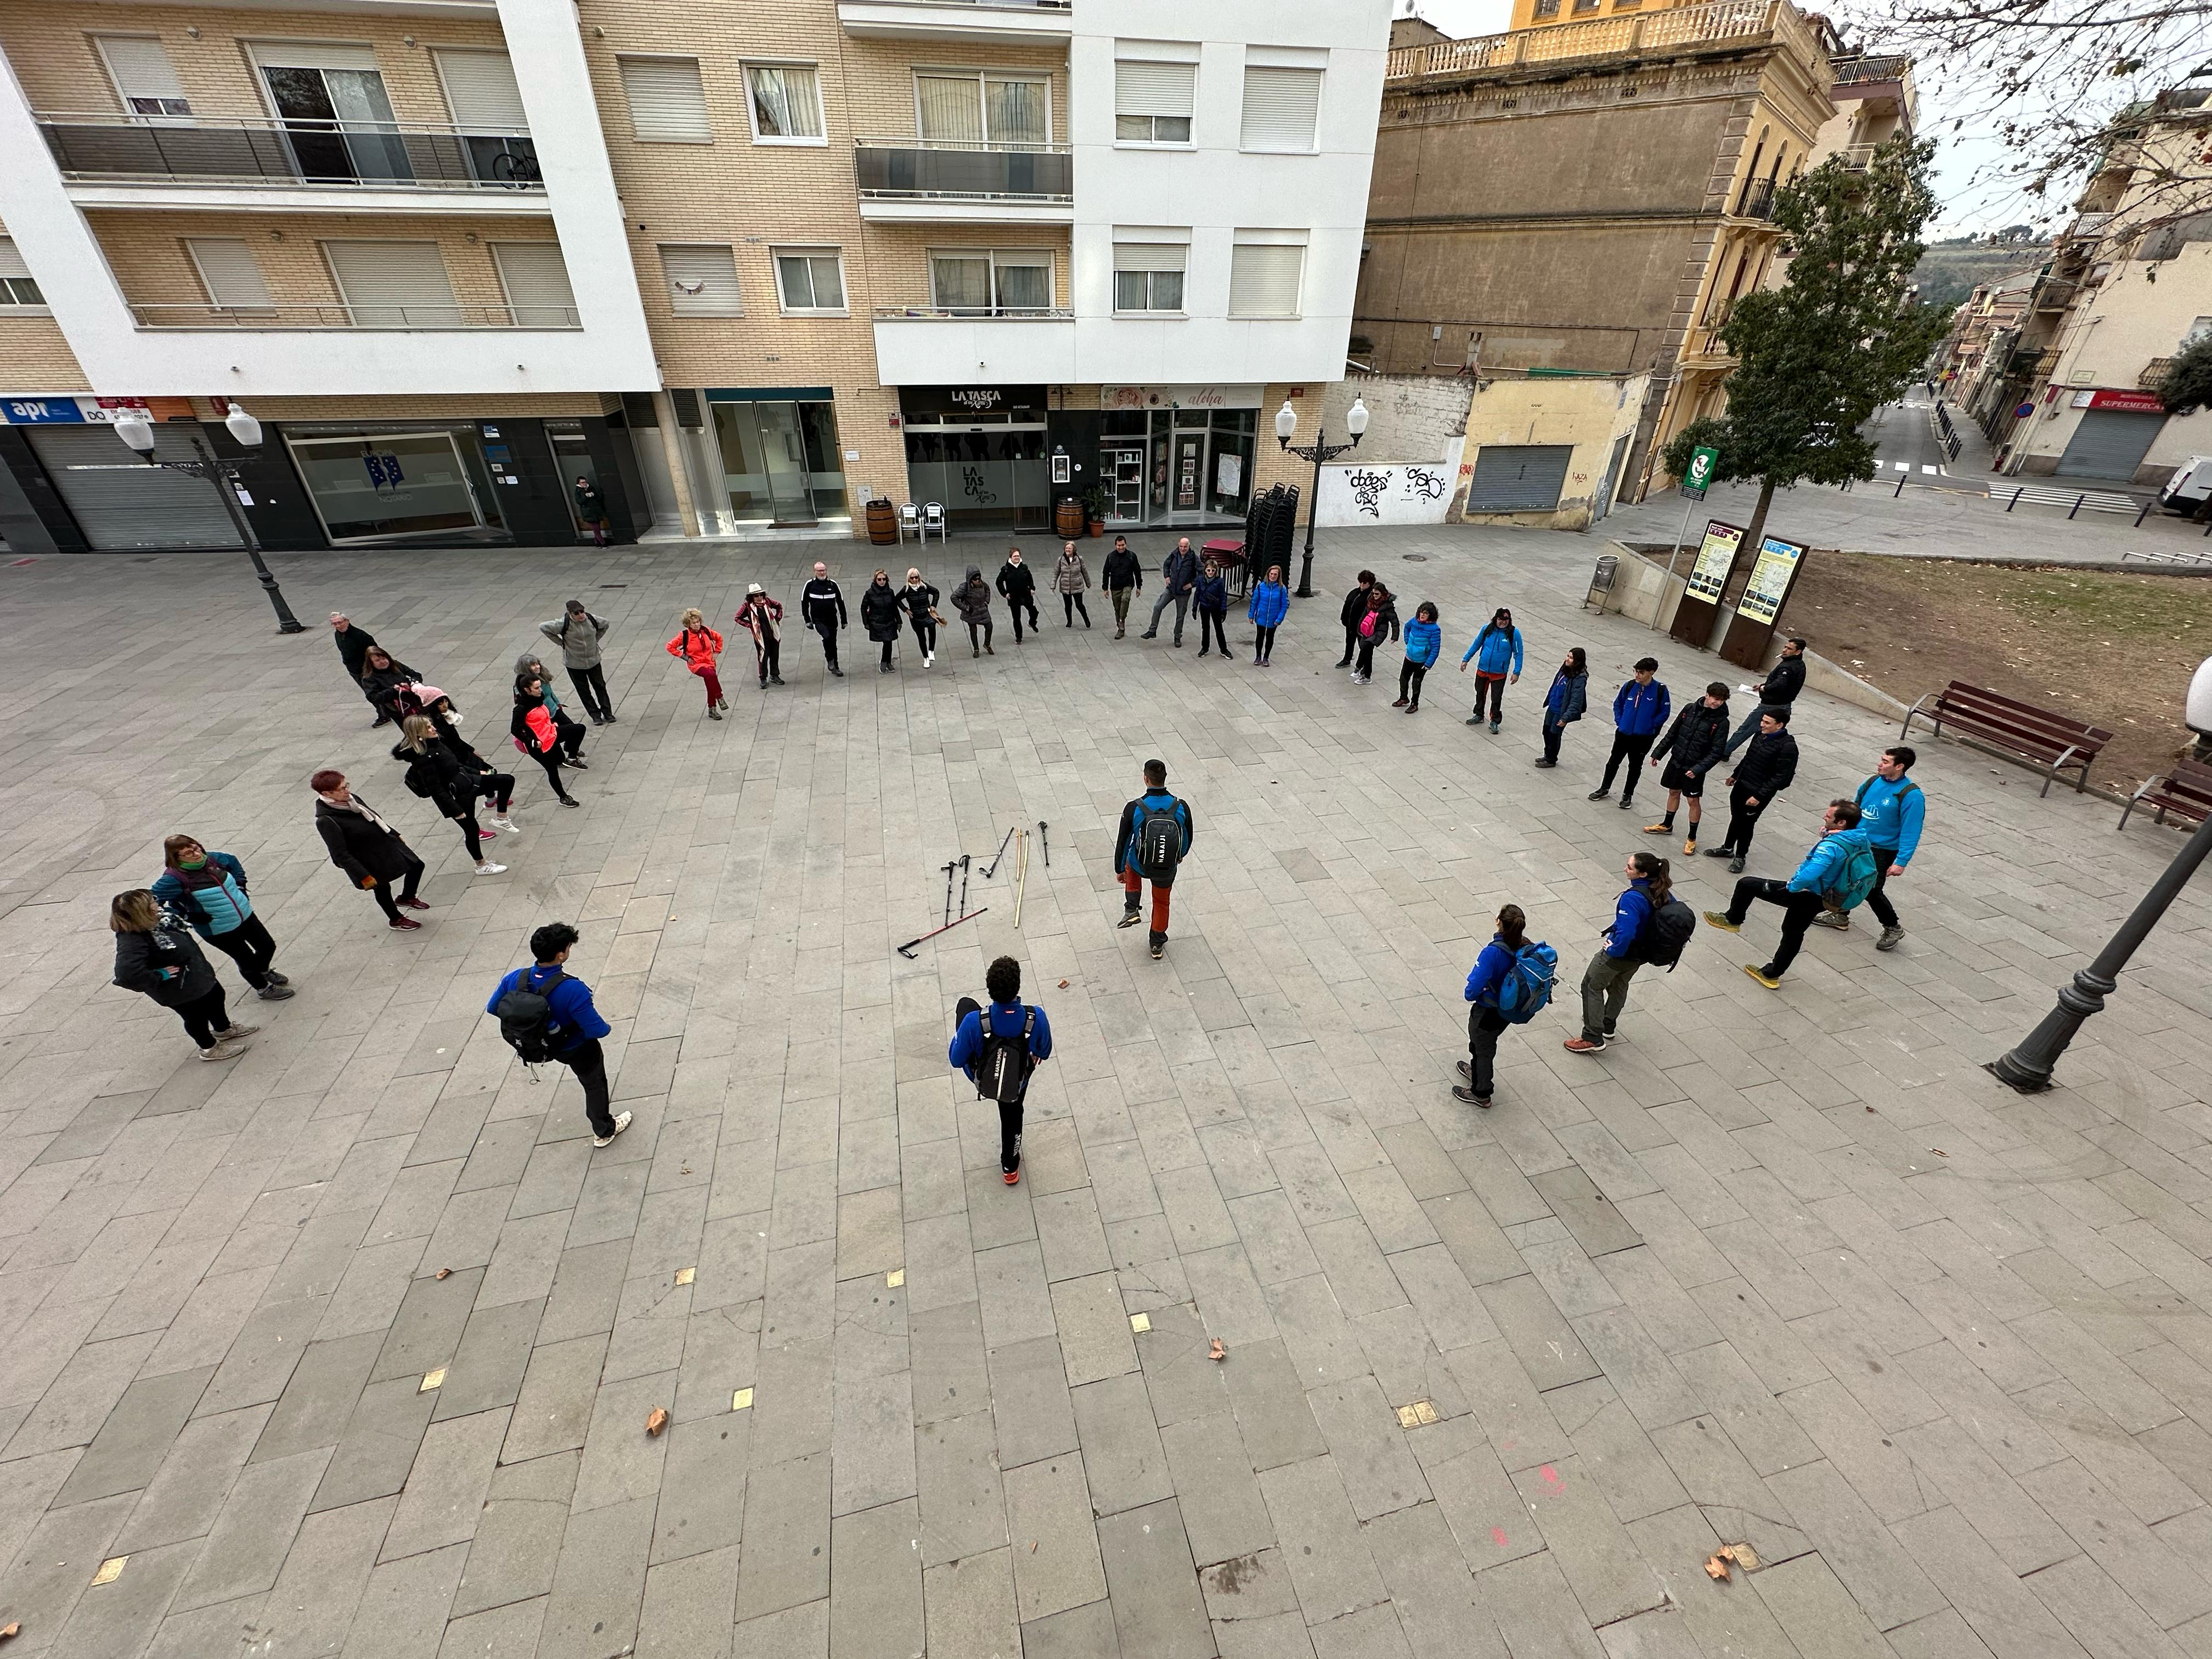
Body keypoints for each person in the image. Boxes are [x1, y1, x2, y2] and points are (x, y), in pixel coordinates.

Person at [488, 922, 630, 1147]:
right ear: (560, 955)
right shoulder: (573, 989)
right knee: (594, 1085)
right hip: (576, 1048)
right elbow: (596, 1030)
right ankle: (604, 1130)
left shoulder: (514, 978)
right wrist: (607, 1028)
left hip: (540, 1045)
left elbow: (493, 1008)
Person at [1705, 799, 1872, 988]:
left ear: (1842, 823)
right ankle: (1771, 974)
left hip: (1807, 892)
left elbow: (1812, 872)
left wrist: (1791, 887)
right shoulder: (1859, 838)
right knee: (1793, 933)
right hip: (1827, 897)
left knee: (1747, 884)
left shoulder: (1830, 847)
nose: (1825, 816)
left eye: (1829, 816)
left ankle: (1732, 920)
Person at [111, 889, 255, 1061]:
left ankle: (223, 1029)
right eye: (153, 901)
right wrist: (159, 975)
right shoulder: (132, 940)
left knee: (216, 996)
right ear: (144, 911)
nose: (157, 902)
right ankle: (209, 1048)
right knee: (195, 1017)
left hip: (196, 975)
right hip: (177, 988)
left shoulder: (161, 920)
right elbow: (126, 974)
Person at [949, 955, 1054, 1184]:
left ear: (990, 990)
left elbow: (956, 1061)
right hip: (1017, 1081)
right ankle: (1010, 1167)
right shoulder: (1036, 1017)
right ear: (1017, 987)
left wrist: (963, 1037)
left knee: (965, 1005)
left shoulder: (973, 1022)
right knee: (1012, 1116)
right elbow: (1044, 1051)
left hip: (984, 1076)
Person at [151, 837, 293, 1002]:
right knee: (245, 958)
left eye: (197, 848)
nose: (197, 854)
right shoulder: (173, 879)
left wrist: (240, 885)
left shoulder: (214, 859)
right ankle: (263, 988)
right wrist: (187, 916)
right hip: (217, 929)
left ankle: (262, 969)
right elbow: (152, 904)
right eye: (188, 853)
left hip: (245, 915)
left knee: (267, 946)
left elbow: (233, 862)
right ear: (176, 858)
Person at [1814, 746, 1923, 952]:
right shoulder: (1872, 782)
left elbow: (1912, 830)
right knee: (1843, 878)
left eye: (1885, 762)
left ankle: (1892, 927)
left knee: (1871, 889)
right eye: (1881, 760)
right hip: (1857, 840)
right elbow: (1854, 810)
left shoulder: (1911, 796)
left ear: (1900, 766)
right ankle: (1840, 915)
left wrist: (1901, 861)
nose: (1879, 764)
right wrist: (1836, 827)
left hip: (1882, 850)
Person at [1564, 850, 1669, 1054]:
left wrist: (1612, 950)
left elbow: (1626, 931)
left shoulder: (1633, 899)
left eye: (1630, 867)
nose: (1625, 869)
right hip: (1642, 954)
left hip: (1622, 953)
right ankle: (1608, 1023)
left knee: (1591, 985)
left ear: (1643, 875)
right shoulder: (1662, 891)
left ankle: (1592, 1036)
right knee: (1620, 984)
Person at [312, 770, 430, 929]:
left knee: (416, 864)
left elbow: (375, 817)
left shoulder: (352, 800)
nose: (347, 790)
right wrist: (364, 876)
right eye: (342, 788)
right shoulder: (326, 821)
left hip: (385, 844)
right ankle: (396, 919)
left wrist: (393, 833)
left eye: (346, 785)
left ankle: (407, 897)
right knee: (382, 887)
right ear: (327, 793)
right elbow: (340, 854)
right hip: (366, 859)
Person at [393, 714, 509, 877]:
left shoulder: (435, 744)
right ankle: (481, 865)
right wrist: (455, 810)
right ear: (418, 733)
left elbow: (455, 765)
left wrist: (477, 772)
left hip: (463, 786)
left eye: (431, 725)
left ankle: (500, 820)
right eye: (428, 727)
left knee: (505, 781)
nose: (433, 728)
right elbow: (436, 789)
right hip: (453, 798)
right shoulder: (423, 759)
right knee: (472, 829)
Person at [1114, 758, 1194, 961]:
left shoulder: (1134, 808)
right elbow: (1188, 837)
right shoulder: (1180, 806)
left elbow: (1123, 842)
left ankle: (1132, 908)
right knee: (1161, 902)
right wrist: (1179, 857)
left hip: (1141, 866)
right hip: (1166, 867)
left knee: (1130, 862)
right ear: (1165, 779)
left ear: (1146, 779)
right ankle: (1157, 943)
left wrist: (1119, 869)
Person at [1643, 682, 1731, 855]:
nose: (1717, 702)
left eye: (1721, 700)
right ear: (1707, 695)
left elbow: (1717, 752)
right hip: (1677, 760)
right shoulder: (1689, 709)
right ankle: (1667, 824)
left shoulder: (1721, 722)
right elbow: (1673, 733)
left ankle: (1692, 837)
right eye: (1715, 698)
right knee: (1673, 792)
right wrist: (1658, 753)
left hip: (1694, 767)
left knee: (1693, 801)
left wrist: (1699, 769)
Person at [1706, 709, 1798, 873]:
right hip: (1742, 784)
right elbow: (1748, 757)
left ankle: (1740, 856)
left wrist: (1759, 796)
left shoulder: (1788, 747)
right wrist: (1735, 774)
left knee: (1747, 824)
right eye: (1763, 721)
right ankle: (1727, 848)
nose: (1762, 724)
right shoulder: (1759, 735)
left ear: (1780, 725)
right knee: (1736, 818)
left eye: (1767, 723)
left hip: (1758, 792)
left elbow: (1781, 777)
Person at [1455, 904, 1528, 1107]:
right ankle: (1478, 1073)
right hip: (1507, 1009)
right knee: (1485, 1043)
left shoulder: (1492, 953)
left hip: (1488, 1010)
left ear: (1499, 922)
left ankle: (1481, 1091)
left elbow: (1473, 988)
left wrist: (1471, 994)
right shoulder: (1524, 946)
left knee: (1482, 1049)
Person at [417, 689, 519, 834]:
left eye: (446, 701)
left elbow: (456, 740)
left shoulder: (444, 719)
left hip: (462, 760)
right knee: (469, 803)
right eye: (441, 703)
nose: (445, 705)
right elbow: (436, 786)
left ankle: (491, 804)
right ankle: (475, 830)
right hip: (459, 767)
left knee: (491, 774)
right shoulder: (433, 741)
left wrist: (471, 751)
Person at [1589, 659, 1669, 811]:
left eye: (1641, 673)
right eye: (1636, 672)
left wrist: (1650, 725)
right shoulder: (1630, 686)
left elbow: (1664, 712)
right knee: (1613, 762)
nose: (1637, 675)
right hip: (1624, 733)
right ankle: (1604, 788)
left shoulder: (1660, 690)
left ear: (1651, 673)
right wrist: (1620, 721)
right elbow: (1618, 704)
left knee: (1635, 766)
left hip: (1643, 737)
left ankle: (1628, 794)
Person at [1723, 636, 1808, 757]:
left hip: (1770, 706)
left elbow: (1780, 684)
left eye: (1789, 649)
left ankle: (1725, 752)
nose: (1785, 650)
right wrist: (1764, 684)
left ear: (1798, 652)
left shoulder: (1787, 667)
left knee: (1746, 729)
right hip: (1785, 706)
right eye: (1785, 647)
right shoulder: (1799, 664)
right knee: (1768, 734)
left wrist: (1764, 688)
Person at [511, 676, 583, 807]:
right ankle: (563, 797)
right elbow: (515, 730)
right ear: (527, 690)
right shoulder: (521, 709)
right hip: (539, 746)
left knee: (579, 729)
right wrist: (532, 742)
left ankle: (572, 756)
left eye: (540, 687)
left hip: (551, 735)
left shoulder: (539, 700)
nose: (540, 690)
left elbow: (542, 718)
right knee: (552, 771)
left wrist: (551, 724)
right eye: (537, 688)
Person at [540, 600, 614, 724]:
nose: (581, 615)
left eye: (582, 611)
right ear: (570, 614)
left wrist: (595, 640)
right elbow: (543, 627)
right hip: (574, 664)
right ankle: (595, 715)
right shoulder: (564, 623)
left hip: (593, 661)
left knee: (600, 686)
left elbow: (605, 624)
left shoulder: (592, 620)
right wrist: (561, 643)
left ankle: (608, 713)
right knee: (584, 690)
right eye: (577, 613)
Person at [1459, 608, 1525, 731]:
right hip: (1483, 669)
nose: (1503, 622)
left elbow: (1519, 653)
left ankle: (1495, 720)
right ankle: (1479, 715)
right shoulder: (1487, 629)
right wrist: (1466, 659)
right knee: (1480, 693)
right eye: (1500, 619)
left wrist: (1517, 672)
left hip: (1499, 673)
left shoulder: (1514, 633)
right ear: (1496, 619)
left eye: (1506, 620)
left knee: (1496, 698)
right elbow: (1477, 644)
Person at [665, 607, 727, 719]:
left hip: (710, 662)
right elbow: (670, 646)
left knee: (710, 683)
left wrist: (717, 651)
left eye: (698, 622)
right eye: (694, 623)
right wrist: (685, 657)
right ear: (688, 624)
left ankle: (712, 709)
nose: (697, 625)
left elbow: (719, 638)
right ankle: (720, 697)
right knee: (710, 675)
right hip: (697, 664)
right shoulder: (684, 635)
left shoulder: (706, 631)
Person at [1536, 647, 1589, 767]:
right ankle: (1548, 754)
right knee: (1546, 731)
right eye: (1568, 656)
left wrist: (1566, 718)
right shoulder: (1565, 669)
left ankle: (1551, 759)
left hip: (1561, 710)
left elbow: (1576, 700)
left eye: (1571, 658)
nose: (1568, 659)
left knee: (1554, 734)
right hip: (1553, 705)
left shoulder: (1579, 678)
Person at [1142, 538, 1200, 646]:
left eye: (1185, 547)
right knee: (1158, 606)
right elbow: (1166, 564)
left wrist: (1192, 584)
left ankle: (1177, 636)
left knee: (1180, 616)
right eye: (1181, 546)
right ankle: (1152, 630)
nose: (1183, 549)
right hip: (1171, 588)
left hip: (1183, 592)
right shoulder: (1174, 554)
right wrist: (1167, 576)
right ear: (1178, 545)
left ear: (1189, 546)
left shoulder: (1193, 558)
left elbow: (1202, 572)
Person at [332, 613, 385, 725]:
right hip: (354, 670)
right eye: (335, 624)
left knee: (373, 693)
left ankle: (384, 715)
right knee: (371, 693)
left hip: (366, 670)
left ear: (347, 621)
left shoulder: (360, 636)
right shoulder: (338, 635)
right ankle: (384, 712)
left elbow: (374, 652)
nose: (338, 626)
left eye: (340, 623)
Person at [802, 561, 848, 676]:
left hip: (832, 619)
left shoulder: (833, 585)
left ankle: (836, 666)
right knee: (827, 637)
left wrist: (844, 620)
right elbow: (804, 603)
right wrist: (807, 620)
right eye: (819, 571)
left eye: (824, 570)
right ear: (815, 572)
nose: (822, 573)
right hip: (818, 619)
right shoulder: (810, 585)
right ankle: (829, 659)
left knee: (833, 642)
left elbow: (841, 602)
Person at [358, 645, 421, 728]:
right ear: (371, 663)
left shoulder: (395, 665)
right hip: (396, 710)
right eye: (377, 660)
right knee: (412, 731)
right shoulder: (369, 678)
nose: (383, 662)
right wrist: (393, 691)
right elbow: (373, 697)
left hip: (415, 702)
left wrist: (411, 684)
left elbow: (416, 675)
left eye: (384, 658)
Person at [735, 583, 785, 688]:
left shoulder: (767, 602)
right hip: (760, 636)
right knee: (763, 656)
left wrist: (777, 618)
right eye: (756, 596)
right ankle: (763, 677)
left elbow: (779, 606)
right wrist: (750, 625)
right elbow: (738, 618)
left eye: (761, 595)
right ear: (751, 597)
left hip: (773, 633)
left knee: (775, 655)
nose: (759, 597)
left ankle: (775, 675)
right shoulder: (747, 606)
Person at [1395, 601, 1441, 711]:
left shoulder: (1434, 629)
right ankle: (1403, 698)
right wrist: (1407, 640)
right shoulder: (1414, 621)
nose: (1422, 615)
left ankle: (1414, 704)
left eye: (1426, 613)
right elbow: (1406, 627)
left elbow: (1435, 648)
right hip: (1409, 657)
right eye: (1421, 612)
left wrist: (1429, 664)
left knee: (1416, 683)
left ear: (1431, 615)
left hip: (1421, 661)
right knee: (1403, 679)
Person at [1352, 583, 1400, 686]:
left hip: (1380, 631)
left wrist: (1395, 637)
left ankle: (1366, 675)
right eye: (1373, 593)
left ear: (1382, 593)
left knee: (1366, 646)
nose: (1375, 596)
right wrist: (1359, 628)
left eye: (1377, 594)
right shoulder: (1370, 601)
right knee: (1364, 648)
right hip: (1368, 629)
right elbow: (1364, 615)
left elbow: (1395, 622)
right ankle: (1360, 669)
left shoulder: (1388, 606)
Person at [1101, 534, 1143, 639]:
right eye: (1119, 545)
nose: (1121, 547)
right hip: (1115, 586)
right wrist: (1105, 588)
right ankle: (1121, 628)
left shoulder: (1132, 556)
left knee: (1125, 599)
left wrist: (1139, 586)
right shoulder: (1111, 557)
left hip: (1128, 584)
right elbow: (1106, 572)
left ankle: (1121, 621)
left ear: (1126, 545)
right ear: (1116, 546)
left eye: (1123, 545)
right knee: (1117, 608)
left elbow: (1138, 571)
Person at [860, 568, 902, 672]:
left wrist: (899, 621)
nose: (882, 581)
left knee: (889, 642)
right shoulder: (870, 593)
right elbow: (863, 607)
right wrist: (866, 622)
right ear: (875, 580)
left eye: (884, 579)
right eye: (879, 579)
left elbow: (894, 607)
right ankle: (885, 662)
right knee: (887, 642)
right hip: (878, 622)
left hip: (889, 620)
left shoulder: (890, 592)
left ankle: (887, 662)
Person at [996, 548, 1041, 643]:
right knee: (1017, 618)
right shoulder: (1006, 570)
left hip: (1026, 594)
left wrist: (1032, 588)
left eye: (1018, 556)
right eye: (1015, 556)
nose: (1017, 558)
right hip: (1014, 597)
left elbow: (1030, 578)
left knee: (1034, 612)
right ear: (1011, 557)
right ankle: (1019, 637)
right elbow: (999, 582)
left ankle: (1032, 623)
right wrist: (1005, 594)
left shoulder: (1024, 567)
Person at [899, 568, 940, 669]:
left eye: (916, 577)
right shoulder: (906, 590)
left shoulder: (924, 587)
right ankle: (926, 658)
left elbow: (936, 592)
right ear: (909, 578)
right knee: (922, 638)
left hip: (927, 614)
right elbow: (897, 600)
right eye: (912, 578)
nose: (914, 580)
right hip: (916, 617)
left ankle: (931, 651)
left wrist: (933, 605)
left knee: (932, 628)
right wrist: (906, 610)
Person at [1248, 563, 1289, 665]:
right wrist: (1251, 615)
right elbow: (1254, 601)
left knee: (1270, 638)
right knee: (1260, 637)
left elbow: (1284, 606)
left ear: (1278, 576)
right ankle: (1258, 657)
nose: (1273, 576)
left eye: (1275, 575)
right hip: (1261, 617)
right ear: (1268, 574)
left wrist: (1279, 619)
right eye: (1272, 574)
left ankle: (1266, 657)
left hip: (1273, 618)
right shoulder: (1261, 587)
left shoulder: (1282, 589)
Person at [1336, 571, 1378, 668]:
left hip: (1362, 627)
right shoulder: (1354, 592)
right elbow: (1347, 605)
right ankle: (1347, 659)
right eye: (1361, 582)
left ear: (1370, 584)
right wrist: (1344, 618)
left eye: (1365, 583)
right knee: (1349, 642)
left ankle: (1363, 664)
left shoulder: (1371, 597)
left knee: (1363, 646)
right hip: (1351, 624)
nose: (1362, 585)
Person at [1194, 557, 1232, 660]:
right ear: (1205, 570)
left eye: (1213, 570)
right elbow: (1197, 593)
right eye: (1209, 570)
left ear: (1216, 571)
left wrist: (1224, 610)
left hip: (1216, 608)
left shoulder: (1219, 582)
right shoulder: (1201, 580)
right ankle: (1205, 648)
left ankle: (1224, 650)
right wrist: (1194, 607)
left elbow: (1223, 596)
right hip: (1204, 607)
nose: (1211, 572)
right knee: (1205, 628)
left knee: (1219, 629)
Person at [953, 566, 995, 657]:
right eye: (975, 579)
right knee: (973, 631)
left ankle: (987, 644)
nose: (978, 581)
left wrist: (987, 602)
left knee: (989, 626)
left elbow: (988, 590)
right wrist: (966, 608)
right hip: (971, 613)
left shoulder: (983, 584)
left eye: (979, 579)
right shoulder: (965, 587)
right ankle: (976, 649)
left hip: (983, 610)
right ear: (970, 579)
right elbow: (954, 598)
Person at [1055, 541, 1092, 629]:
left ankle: (1086, 618)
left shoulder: (1079, 559)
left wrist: (1088, 583)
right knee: (1068, 605)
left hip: (1077, 585)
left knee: (1079, 604)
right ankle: (1069, 621)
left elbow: (1084, 572)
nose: (1068, 550)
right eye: (1066, 548)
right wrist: (1053, 584)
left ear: (1074, 550)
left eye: (1070, 548)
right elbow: (1056, 572)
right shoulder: (1061, 560)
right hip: (1065, 586)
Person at [573, 475, 609, 548]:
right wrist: (586, 496)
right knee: (596, 529)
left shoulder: (591, 488)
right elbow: (579, 501)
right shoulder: (578, 491)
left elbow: (599, 498)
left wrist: (593, 495)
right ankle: (603, 543)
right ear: (579, 483)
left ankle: (597, 543)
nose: (585, 484)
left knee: (598, 528)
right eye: (582, 483)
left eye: (585, 482)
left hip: (596, 511)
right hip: (588, 513)